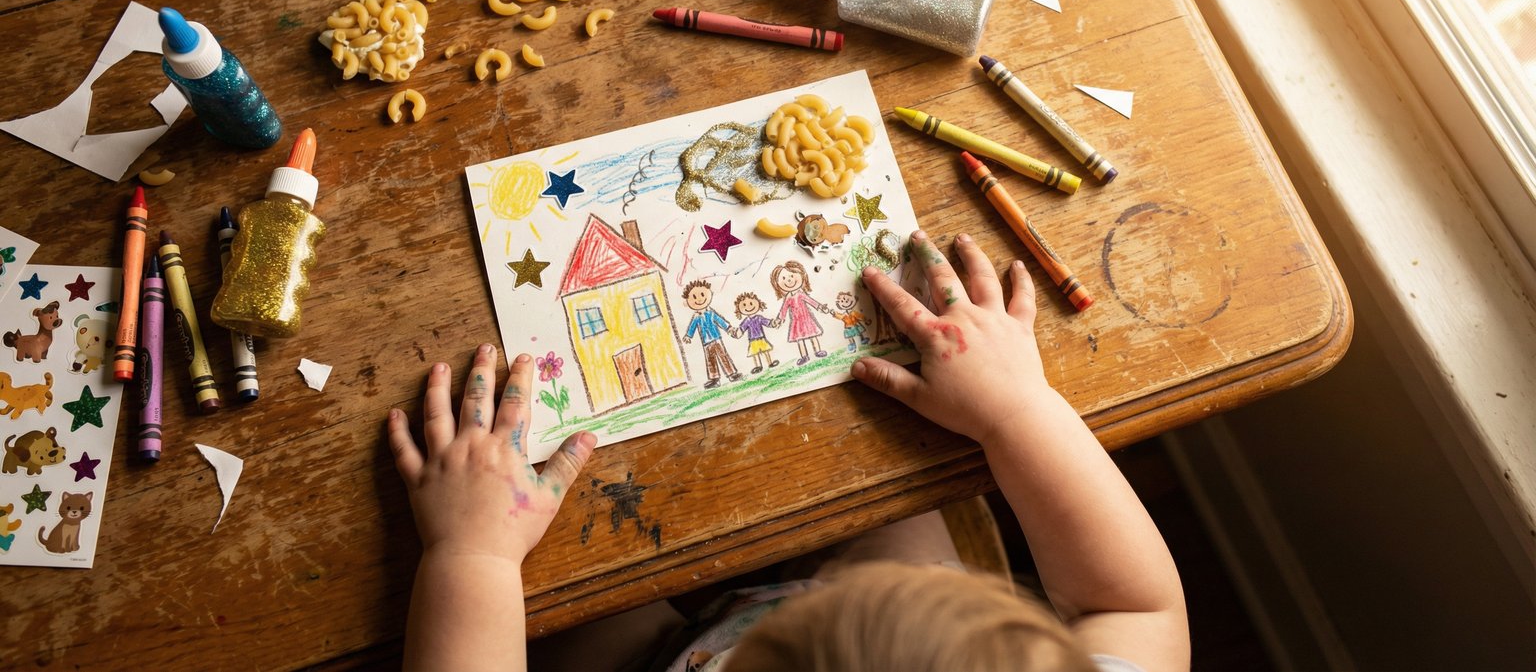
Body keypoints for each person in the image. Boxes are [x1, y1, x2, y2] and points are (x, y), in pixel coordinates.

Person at [387, 230, 1189, 672]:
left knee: (563, 593)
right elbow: (1136, 604)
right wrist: (1019, 407)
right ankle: (895, 583)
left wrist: (474, 557)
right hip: (901, 598)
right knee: (902, 506)